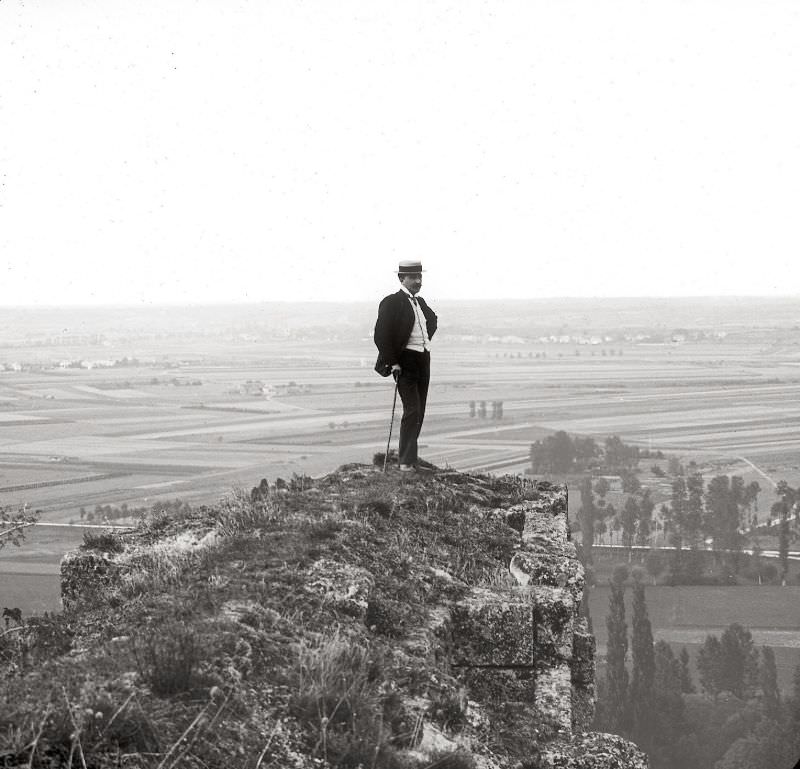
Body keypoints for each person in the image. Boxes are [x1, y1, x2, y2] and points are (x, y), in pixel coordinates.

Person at [374, 260, 438, 471]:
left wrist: (424, 342)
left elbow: (432, 320)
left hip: (423, 359)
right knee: (412, 409)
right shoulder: (392, 302)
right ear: (401, 279)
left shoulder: (420, 302)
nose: (418, 281)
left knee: (419, 412)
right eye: (413, 277)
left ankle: (411, 459)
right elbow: (381, 335)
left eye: (420, 277)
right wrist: (392, 362)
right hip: (405, 363)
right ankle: (405, 464)